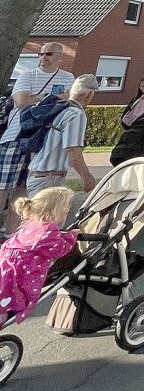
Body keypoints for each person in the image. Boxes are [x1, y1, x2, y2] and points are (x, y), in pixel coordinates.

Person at [0, 43, 74, 237]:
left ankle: (11, 234)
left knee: (23, 189)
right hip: (16, 137)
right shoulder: (27, 75)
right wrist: (52, 97)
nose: (43, 57)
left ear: (60, 56)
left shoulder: (67, 77)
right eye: (40, 53)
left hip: (43, 141)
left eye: (48, 54)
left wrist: (39, 97)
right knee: (3, 187)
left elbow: (70, 98)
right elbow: (21, 100)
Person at [0, 186, 76, 325]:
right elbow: (60, 249)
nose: (68, 209)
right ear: (55, 210)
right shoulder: (48, 229)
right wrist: (72, 236)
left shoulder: (30, 225)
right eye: (66, 206)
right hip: (21, 270)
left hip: (7, 262)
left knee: (4, 291)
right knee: (17, 294)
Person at [25, 74, 98, 197]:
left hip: (37, 175)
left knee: (35, 216)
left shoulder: (60, 108)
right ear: (89, 94)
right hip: (49, 180)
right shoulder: (76, 114)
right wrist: (87, 177)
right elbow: (73, 150)